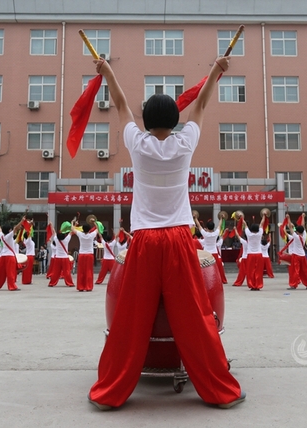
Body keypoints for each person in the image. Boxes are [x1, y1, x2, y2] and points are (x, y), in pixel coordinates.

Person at [87, 55, 244, 410]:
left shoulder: (137, 145)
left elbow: (121, 104)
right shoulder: (185, 142)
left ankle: (110, 392)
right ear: (175, 120)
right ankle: (219, 390)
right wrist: (215, 71)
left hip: (143, 241)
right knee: (195, 317)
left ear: (145, 121)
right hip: (177, 239)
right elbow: (201, 103)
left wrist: (108, 71)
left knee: (129, 318)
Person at [0, 217, 24, 291]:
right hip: (10, 256)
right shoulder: (9, 236)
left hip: (2, 256)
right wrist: (21, 221)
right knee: (10, 272)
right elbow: (16, 228)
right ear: (9, 230)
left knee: (0, 272)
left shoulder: (1, 236)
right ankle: (12, 286)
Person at [193, 216, 228, 284]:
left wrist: (195, 218)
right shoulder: (215, 234)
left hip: (206, 253)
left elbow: (199, 225)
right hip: (214, 253)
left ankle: (207, 281)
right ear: (213, 227)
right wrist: (221, 219)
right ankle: (216, 281)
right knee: (216, 268)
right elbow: (219, 226)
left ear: (207, 227)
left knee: (207, 269)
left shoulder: (205, 234)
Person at [72, 222, 100, 292]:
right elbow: (97, 229)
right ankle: (88, 287)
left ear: (82, 229)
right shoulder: (91, 235)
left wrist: (73, 223)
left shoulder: (80, 234)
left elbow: (72, 229)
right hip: (89, 255)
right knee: (89, 271)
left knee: (81, 271)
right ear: (89, 229)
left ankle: (80, 287)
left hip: (81, 255)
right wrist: (94, 222)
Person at [47, 221, 75, 287]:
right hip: (65, 258)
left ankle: (52, 283)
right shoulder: (66, 240)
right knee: (67, 272)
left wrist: (51, 224)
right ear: (64, 236)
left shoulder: (56, 239)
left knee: (55, 272)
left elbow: (53, 231)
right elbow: (72, 231)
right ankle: (69, 283)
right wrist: (72, 223)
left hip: (57, 258)